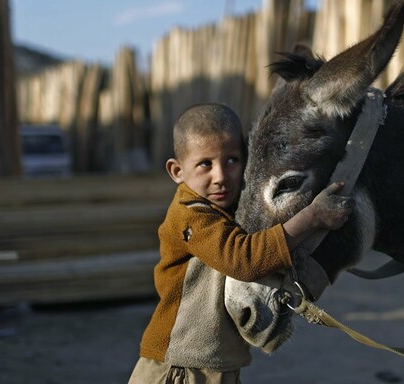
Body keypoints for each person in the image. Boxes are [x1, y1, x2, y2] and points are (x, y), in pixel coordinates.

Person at [129, 103, 353, 384]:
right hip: (179, 366)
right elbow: (242, 260)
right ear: (177, 171)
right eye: (205, 164)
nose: (221, 176)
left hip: (217, 364)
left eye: (232, 160)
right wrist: (312, 217)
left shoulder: (227, 208)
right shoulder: (191, 214)